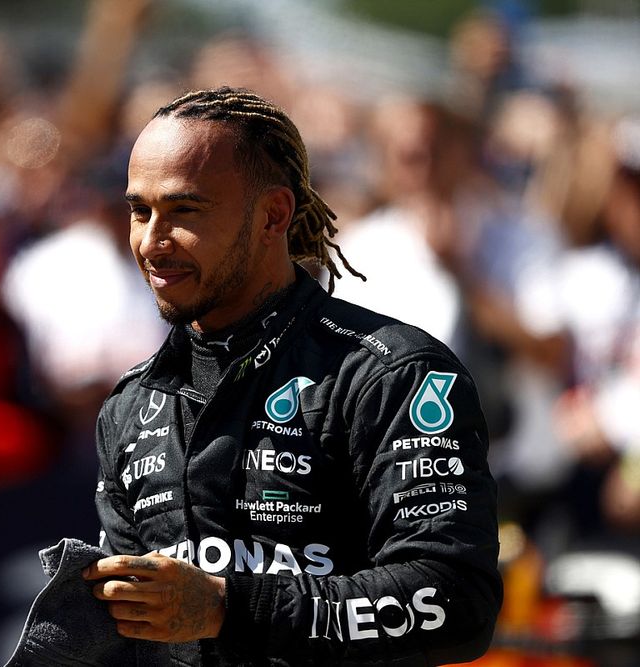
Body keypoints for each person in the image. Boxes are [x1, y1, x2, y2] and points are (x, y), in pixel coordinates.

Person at [83, 87, 502, 665]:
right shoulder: (132, 405)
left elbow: (456, 602)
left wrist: (229, 607)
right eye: (140, 211)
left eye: (185, 211)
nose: (152, 241)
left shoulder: (390, 376)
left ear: (273, 215)